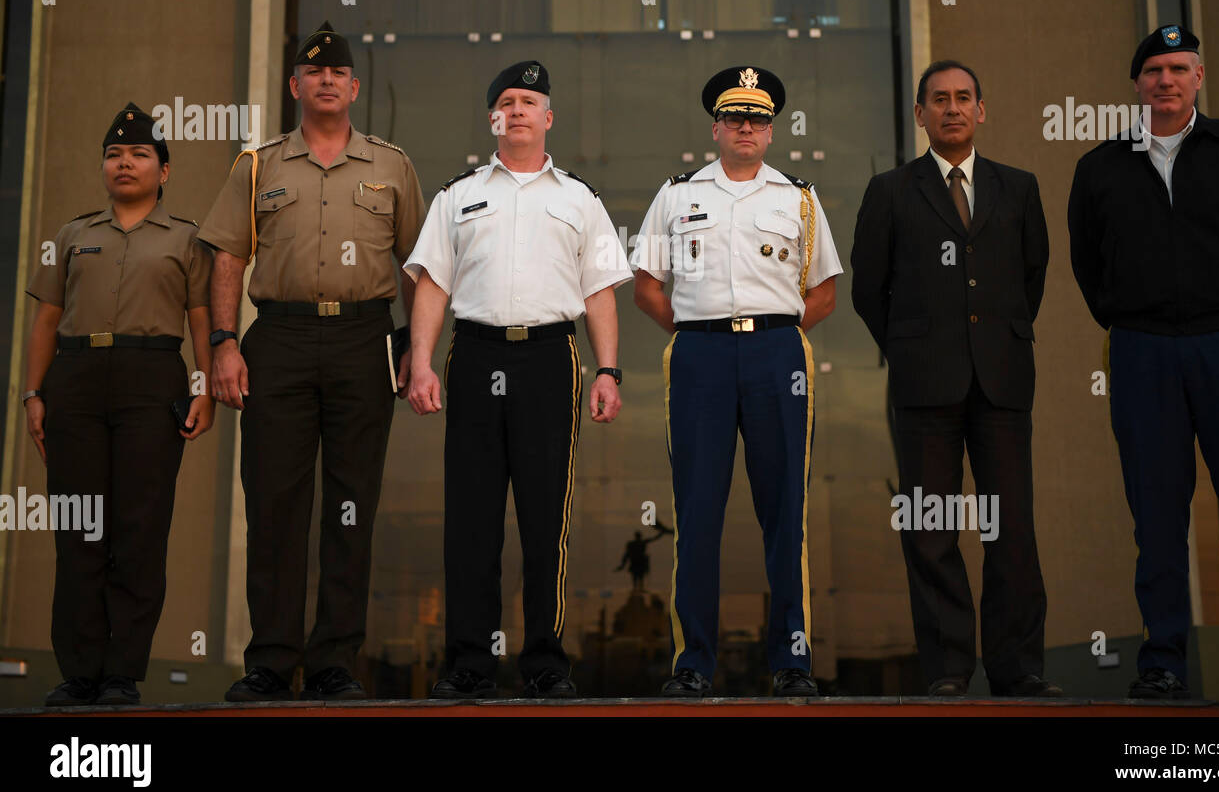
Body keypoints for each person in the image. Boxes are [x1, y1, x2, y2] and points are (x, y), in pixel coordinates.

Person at [1068, 25, 1219, 702]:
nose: (1165, 80)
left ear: (1199, 77)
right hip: (1142, 349)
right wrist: (1126, 310)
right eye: (1153, 70)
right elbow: (1089, 262)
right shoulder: (1101, 167)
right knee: (1157, 512)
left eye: (1178, 68)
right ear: (1137, 84)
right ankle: (1162, 660)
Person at [199, 21, 427, 701]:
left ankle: (333, 661)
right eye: (313, 71)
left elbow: (418, 264)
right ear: (296, 85)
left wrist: (416, 346)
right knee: (273, 504)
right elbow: (227, 257)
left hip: (364, 341)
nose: (326, 80)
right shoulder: (258, 163)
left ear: (354, 88)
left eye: (338, 73)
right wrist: (223, 341)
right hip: (280, 341)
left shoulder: (392, 165)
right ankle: (270, 660)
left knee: (351, 505)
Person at [404, 59, 630, 699]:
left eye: (531, 99)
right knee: (471, 521)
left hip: (549, 361)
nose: (520, 108)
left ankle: (545, 664)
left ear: (549, 117)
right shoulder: (458, 194)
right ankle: (469, 665)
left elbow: (599, 295)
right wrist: (420, 362)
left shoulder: (580, 198)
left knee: (544, 520)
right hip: (473, 357)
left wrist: (607, 369)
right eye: (508, 99)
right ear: (493, 119)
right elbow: (432, 285)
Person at [851, 60, 1060, 699]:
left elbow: (1031, 278)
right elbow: (868, 289)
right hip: (923, 386)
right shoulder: (889, 191)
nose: (952, 108)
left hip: (1001, 382)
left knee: (1011, 528)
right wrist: (914, 348)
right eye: (938, 99)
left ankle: (1017, 667)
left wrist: (991, 339)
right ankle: (946, 668)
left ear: (981, 109)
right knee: (931, 527)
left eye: (964, 97)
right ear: (920, 114)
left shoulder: (1018, 187)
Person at [631, 65, 841, 698]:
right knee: (697, 512)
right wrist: (699, 333)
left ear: (771, 131)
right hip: (700, 356)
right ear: (715, 128)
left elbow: (825, 289)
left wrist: (770, 334)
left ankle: (791, 660)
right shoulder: (675, 195)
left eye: (758, 119)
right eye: (734, 118)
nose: (746, 128)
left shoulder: (798, 197)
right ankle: (693, 662)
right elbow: (646, 287)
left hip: (779, 355)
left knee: (786, 513)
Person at [24, 103, 214, 707]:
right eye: (113, 154)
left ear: (165, 170)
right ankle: (79, 671)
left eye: (138, 155)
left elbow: (203, 320)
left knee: (139, 528)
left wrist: (204, 388)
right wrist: (33, 393)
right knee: (80, 527)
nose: (123, 163)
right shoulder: (71, 236)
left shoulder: (188, 239)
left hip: (152, 378)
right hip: (75, 380)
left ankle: (120, 673)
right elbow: (46, 320)